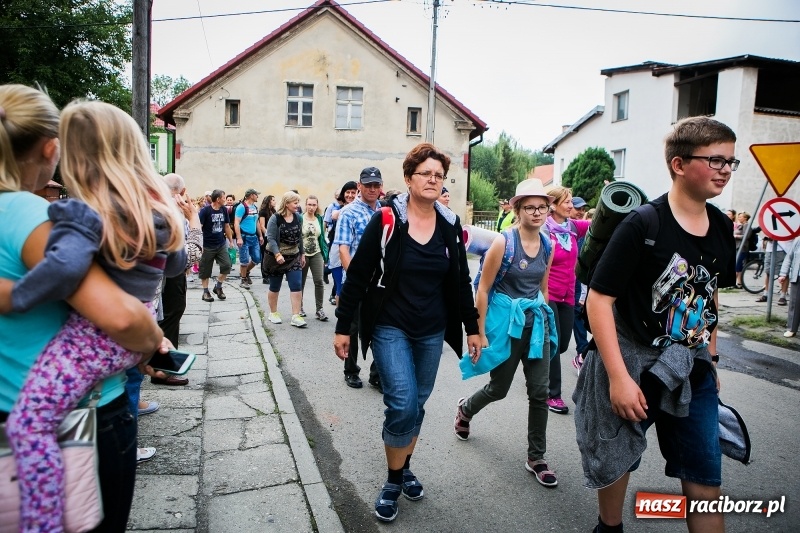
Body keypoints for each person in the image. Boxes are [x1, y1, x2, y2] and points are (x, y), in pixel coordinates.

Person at [1, 100, 186, 531]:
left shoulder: (83, 215)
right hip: (126, 343)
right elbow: (175, 265)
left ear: (69, 154)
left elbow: (68, 271)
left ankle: (42, 520)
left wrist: (16, 296)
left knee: (29, 423)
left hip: (93, 340)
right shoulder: (155, 213)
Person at [574, 116, 737, 533]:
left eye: (730, 162)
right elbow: (598, 300)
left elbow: (709, 293)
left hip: (690, 365)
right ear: (679, 164)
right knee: (618, 456)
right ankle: (609, 526)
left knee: (704, 477)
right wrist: (618, 379)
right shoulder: (643, 224)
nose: (724, 170)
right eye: (715, 160)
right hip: (633, 361)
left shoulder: (722, 225)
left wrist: (711, 357)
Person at [333, 142, 480, 523]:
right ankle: (393, 481)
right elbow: (358, 275)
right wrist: (343, 327)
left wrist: (472, 328)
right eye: (425, 173)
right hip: (390, 325)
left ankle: (404, 465)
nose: (433, 180)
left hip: (431, 330)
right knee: (402, 403)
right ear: (409, 178)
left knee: (418, 404)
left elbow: (461, 280)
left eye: (439, 175)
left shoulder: (449, 224)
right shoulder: (387, 220)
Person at [454, 179, 559, 486]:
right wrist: (479, 331)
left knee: (540, 392)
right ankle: (465, 409)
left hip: (535, 324)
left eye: (542, 207)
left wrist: (546, 320)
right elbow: (483, 289)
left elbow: (543, 287)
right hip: (506, 324)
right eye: (530, 207)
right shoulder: (504, 242)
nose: (537, 212)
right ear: (518, 210)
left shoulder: (548, 245)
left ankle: (536, 457)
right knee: (498, 388)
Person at [150, 173, 203, 388]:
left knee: (165, 314)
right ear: (183, 191)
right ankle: (164, 369)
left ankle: (158, 364)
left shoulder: (158, 205)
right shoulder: (171, 209)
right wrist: (194, 219)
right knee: (172, 313)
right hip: (169, 272)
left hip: (162, 272)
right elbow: (189, 252)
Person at [334, 169, 384, 389]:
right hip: (356, 282)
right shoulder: (348, 212)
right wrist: (356, 279)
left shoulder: (385, 211)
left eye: (376, 185)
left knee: (380, 328)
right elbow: (344, 249)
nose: (372, 189)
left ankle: (377, 374)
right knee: (352, 329)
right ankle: (351, 370)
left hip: (380, 282)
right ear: (359, 185)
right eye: (368, 185)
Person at [544, 185, 590, 414]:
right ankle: (552, 394)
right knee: (553, 343)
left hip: (568, 295)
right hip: (548, 295)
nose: (572, 206)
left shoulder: (572, 227)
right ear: (553, 205)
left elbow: (599, 224)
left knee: (561, 345)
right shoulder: (544, 230)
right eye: (567, 202)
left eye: (571, 202)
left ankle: (535, 363)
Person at [264, 191, 307, 327]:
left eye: (298, 202)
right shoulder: (275, 218)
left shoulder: (298, 217)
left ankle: (296, 316)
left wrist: (302, 254)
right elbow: (271, 238)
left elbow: (300, 237)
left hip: (293, 257)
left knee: (296, 285)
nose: (297, 205)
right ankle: (273, 313)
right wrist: (277, 254)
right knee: (274, 286)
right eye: (295, 203)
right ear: (287, 203)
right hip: (276, 258)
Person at [198, 189, 234, 302]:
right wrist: (199, 244)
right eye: (223, 197)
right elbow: (199, 227)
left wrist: (230, 241)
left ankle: (218, 286)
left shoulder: (224, 210)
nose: (225, 200)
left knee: (227, 265)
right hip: (207, 246)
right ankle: (205, 292)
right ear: (218, 199)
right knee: (205, 270)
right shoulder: (205, 211)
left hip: (221, 244)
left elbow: (226, 226)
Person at [572, 207, 595, 371]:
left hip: (584, 282)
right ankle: (582, 351)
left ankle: (583, 352)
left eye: (582, 209)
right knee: (578, 314)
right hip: (576, 282)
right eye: (577, 208)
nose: (580, 211)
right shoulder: (576, 232)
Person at [327, 181, 358, 305]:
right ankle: (340, 315)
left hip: (354, 252)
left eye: (353, 193)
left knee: (352, 288)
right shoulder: (337, 208)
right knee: (340, 288)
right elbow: (334, 216)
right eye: (347, 192)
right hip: (337, 252)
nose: (350, 195)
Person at [300, 194, 329, 321]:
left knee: (319, 281)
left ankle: (319, 309)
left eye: (314, 205)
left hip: (316, 252)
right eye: (309, 204)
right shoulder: (300, 218)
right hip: (303, 254)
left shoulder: (319, 219)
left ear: (317, 206)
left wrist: (324, 254)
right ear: (305, 205)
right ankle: (299, 307)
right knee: (300, 282)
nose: (311, 207)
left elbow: (321, 237)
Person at [235, 188, 264, 289]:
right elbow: (236, 223)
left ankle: (246, 272)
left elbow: (257, 222)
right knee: (244, 260)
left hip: (253, 237)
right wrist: (239, 238)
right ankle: (243, 280)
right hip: (244, 237)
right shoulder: (241, 207)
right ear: (251, 195)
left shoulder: (254, 207)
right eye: (256, 194)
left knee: (257, 258)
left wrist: (260, 235)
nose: (257, 196)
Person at [757, 235, 788, 305]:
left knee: (783, 273)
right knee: (768, 272)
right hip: (769, 249)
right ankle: (766, 294)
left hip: (781, 248)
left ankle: (783, 296)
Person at [778, 237, 800, 337]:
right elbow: (789, 257)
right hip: (797, 276)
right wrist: (783, 273)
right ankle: (792, 328)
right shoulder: (798, 240)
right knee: (795, 304)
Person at [733, 211, 751, 288]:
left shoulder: (747, 225)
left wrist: (736, 236)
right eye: (739, 217)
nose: (739, 218)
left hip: (742, 248)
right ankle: (739, 283)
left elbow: (746, 236)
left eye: (741, 217)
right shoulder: (741, 225)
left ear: (745, 218)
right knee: (738, 265)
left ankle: (732, 282)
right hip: (737, 247)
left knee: (737, 265)